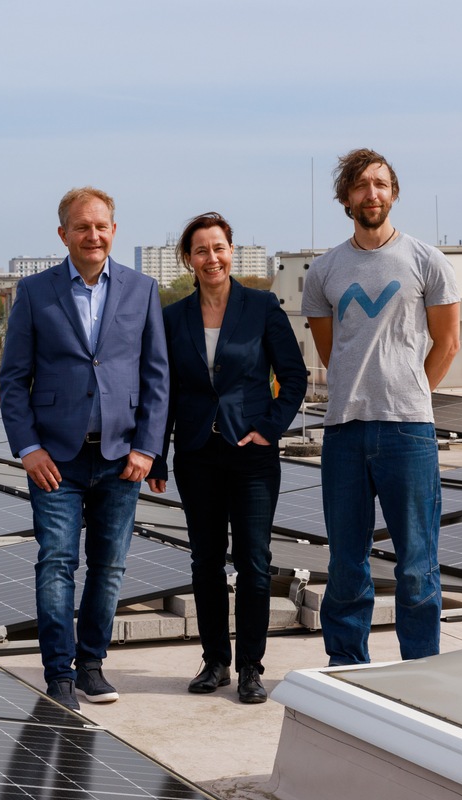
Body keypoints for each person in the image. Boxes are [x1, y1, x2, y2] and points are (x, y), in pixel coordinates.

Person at [0, 186, 169, 711]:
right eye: (81, 227)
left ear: (113, 231)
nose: (92, 235)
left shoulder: (142, 290)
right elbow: (13, 381)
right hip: (56, 458)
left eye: (101, 226)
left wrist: (148, 448)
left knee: (110, 566)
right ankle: (59, 676)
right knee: (56, 562)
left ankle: (92, 665)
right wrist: (28, 448)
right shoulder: (33, 292)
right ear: (63, 234)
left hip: (121, 457)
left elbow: (157, 375)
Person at [301, 148, 461, 666]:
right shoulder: (324, 270)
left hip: (408, 432)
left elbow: (448, 343)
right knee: (347, 563)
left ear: (393, 193)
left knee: (416, 563)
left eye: (381, 184)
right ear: (346, 197)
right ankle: (348, 668)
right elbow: (331, 352)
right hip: (345, 432)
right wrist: (364, 387)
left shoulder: (426, 261)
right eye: (361, 185)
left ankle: (421, 670)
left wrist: (410, 390)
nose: (372, 194)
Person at [146, 213, 306, 703]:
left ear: (231, 250)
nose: (210, 258)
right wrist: (156, 454)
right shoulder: (172, 318)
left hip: (251, 456)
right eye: (200, 250)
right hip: (196, 454)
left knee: (255, 563)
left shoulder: (261, 307)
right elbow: (162, 390)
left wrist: (268, 428)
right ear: (188, 260)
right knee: (206, 561)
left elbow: (294, 377)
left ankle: (251, 668)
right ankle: (214, 660)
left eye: (218, 248)